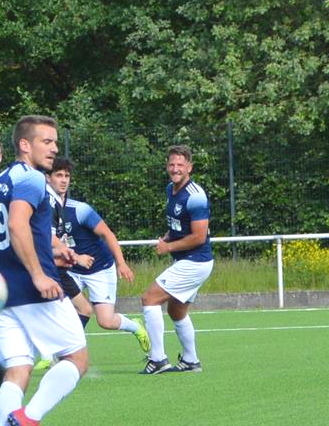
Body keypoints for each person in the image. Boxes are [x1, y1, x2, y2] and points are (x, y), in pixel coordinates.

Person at [0, 115, 90, 426]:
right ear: (24, 145)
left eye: (55, 142)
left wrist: (52, 249)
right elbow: (16, 225)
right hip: (33, 289)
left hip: (2, 291)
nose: (54, 148)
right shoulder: (31, 178)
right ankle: (31, 417)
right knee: (77, 357)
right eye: (47, 141)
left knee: (17, 372)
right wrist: (39, 272)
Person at [47, 158, 147, 353]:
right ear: (48, 178)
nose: (64, 180)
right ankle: (54, 354)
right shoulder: (45, 208)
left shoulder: (80, 210)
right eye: (59, 175)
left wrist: (121, 263)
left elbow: (108, 234)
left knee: (105, 321)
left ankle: (135, 327)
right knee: (59, 309)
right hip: (71, 269)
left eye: (67, 176)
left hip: (98, 268)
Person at [139, 145, 212, 374]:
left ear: (190, 167)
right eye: (172, 164)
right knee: (176, 311)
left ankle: (158, 359)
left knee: (150, 298)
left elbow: (199, 236)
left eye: (180, 164)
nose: (175, 168)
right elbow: (179, 225)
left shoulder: (196, 196)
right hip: (189, 261)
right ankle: (191, 361)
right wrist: (168, 237)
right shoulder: (170, 189)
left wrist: (168, 247)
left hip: (195, 261)